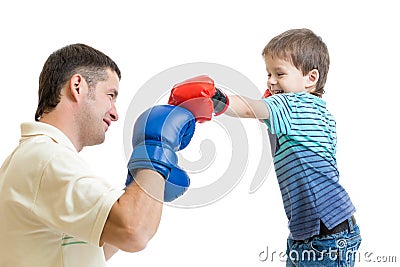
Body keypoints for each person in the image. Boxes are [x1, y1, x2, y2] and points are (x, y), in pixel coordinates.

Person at [167, 28, 362, 266]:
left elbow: (250, 108)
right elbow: (266, 114)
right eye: (268, 73)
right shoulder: (319, 112)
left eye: (279, 73)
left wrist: (214, 98)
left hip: (324, 234)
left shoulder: (292, 104)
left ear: (311, 78)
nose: (271, 81)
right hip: (318, 230)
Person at [0, 43, 196, 266]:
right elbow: (134, 232)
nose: (115, 113)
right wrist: (155, 150)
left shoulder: (35, 157)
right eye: (110, 95)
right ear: (77, 86)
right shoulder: (47, 158)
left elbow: (88, 252)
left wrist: (147, 190)